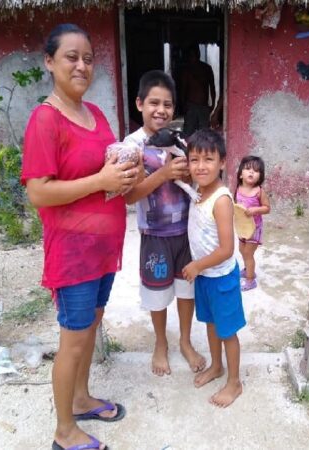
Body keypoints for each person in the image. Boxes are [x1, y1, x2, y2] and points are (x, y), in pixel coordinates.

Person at [22, 24, 138, 450]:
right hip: (72, 253)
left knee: (91, 327)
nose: (82, 65)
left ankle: (82, 397)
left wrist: (129, 175)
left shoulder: (98, 115)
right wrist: (101, 179)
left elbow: (108, 176)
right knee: (72, 339)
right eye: (71, 56)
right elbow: (38, 191)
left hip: (103, 249)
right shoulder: (45, 119)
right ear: (49, 62)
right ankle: (64, 430)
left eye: (88, 58)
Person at [124, 70, 207, 377]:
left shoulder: (179, 140)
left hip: (186, 232)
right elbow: (129, 196)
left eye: (168, 105)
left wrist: (189, 174)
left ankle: (185, 341)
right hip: (154, 234)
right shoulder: (131, 146)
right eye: (154, 103)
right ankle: (161, 343)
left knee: (187, 291)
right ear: (139, 104)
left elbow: (195, 182)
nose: (161, 110)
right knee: (157, 294)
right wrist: (164, 174)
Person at [182, 129, 245, 408]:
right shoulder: (199, 191)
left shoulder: (220, 199)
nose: (200, 166)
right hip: (206, 277)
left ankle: (234, 382)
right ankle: (216, 366)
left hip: (220, 278)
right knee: (210, 323)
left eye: (208, 159)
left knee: (227, 331)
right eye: (194, 160)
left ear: (222, 163)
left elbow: (226, 249)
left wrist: (197, 265)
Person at [234, 155, 270, 291]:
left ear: (260, 176)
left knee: (248, 253)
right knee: (241, 250)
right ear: (241, 174)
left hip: (254, 229)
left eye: (255, 171)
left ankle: (250, 279)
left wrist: (255, 209)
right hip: (242, 227)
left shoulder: (259, 192)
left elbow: (267, 208)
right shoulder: (238, 188)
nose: (251, 172)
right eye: (248, 169)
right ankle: (247, 269)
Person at [180, 45, 216, 137]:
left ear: (199, 54)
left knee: (204, 135)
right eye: (191, 54)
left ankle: (202, 151)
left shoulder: (206, 68)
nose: (193, 56)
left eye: (195, 54)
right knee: (188, 133)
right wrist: (184, 105)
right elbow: (183, 89)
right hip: (191, 106)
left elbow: (212, 87)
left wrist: (213, 105)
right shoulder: (187, 70)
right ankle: (188, 150)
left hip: (203, 106)